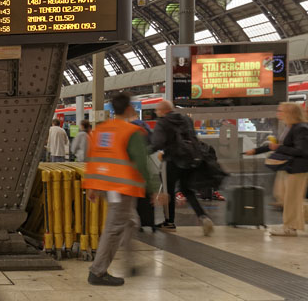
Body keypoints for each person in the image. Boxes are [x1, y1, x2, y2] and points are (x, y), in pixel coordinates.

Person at [82, 93, 163, 286]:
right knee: (115, 227)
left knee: (130, 221)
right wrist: (153, 190)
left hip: (105, 185)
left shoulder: (100, 130)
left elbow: (92, 159)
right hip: (121, 187)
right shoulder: (131, 132)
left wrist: (92, 186)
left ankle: (130, 263)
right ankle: (98, 271)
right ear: (128, 109)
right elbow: (142, 163)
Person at [248, 102, 308, 236]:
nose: (278, 113)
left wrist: (278, 148)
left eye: (281, 111)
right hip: (290, 167)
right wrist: (257, 150)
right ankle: (293, 224)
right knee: (287, 197)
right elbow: (278, 145)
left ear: (290, 113)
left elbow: (301, 150)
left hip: (298, 168)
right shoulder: (290, 127)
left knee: (291, 199)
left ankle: (290, 228)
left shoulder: (301, 128)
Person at [151, 100, 214, 235]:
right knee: (187, 190)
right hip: (189, 160)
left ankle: (169, 222)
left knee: (168, 191)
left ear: (162, 111)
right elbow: (193, 137)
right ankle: (203, 217)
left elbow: (157, 143)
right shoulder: (186, 119)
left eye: (157, 110)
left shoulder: (162, 122)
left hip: (171, 161)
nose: (156, 112)